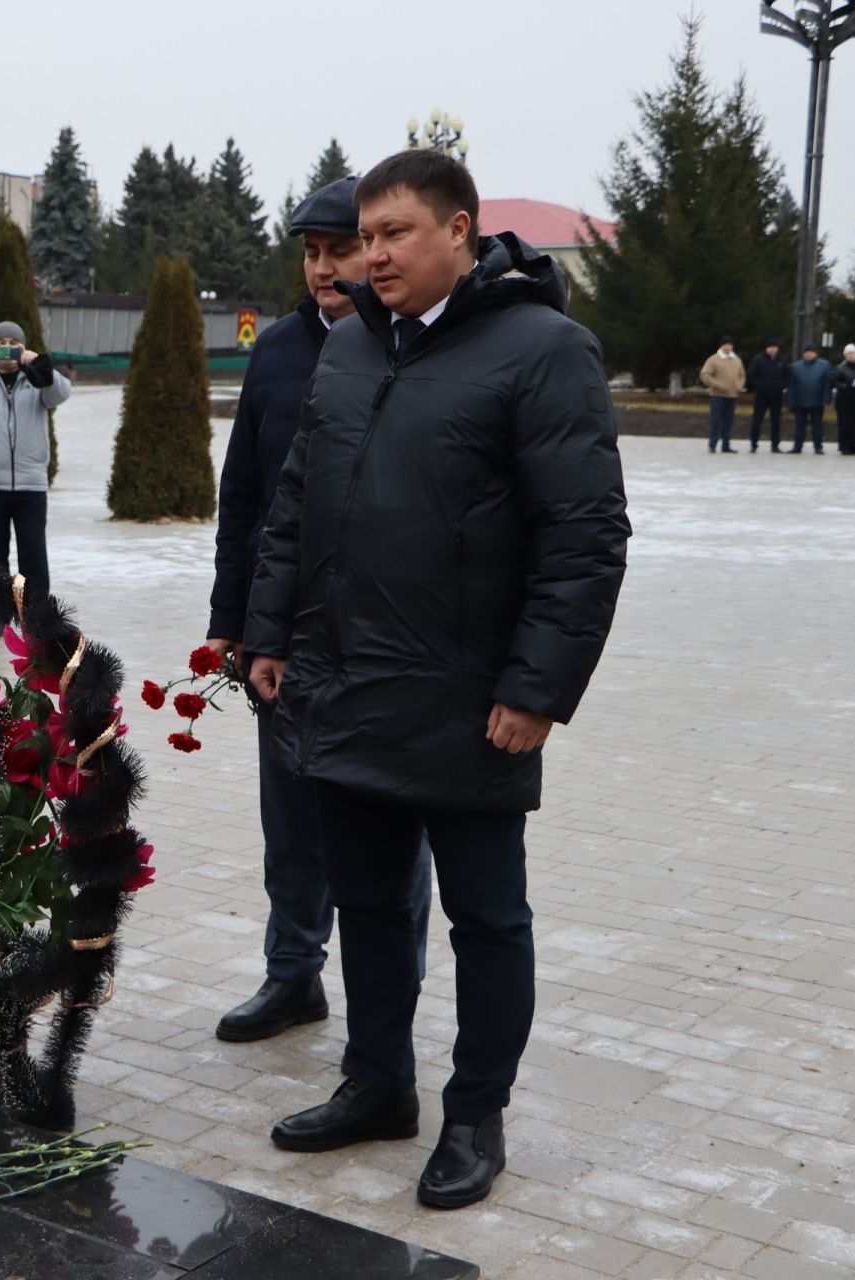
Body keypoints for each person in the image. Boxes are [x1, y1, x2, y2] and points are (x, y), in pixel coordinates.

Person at [244, 150, 628, 1209]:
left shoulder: (544, 348)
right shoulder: (354, 346)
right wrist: (269, 633)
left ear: (459, 231)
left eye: (395, 234)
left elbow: (584, 536)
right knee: (365, 901)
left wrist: (537, 686)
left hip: (472, 700)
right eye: (364, 237)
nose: (372, 256)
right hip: (345, 681)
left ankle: (474, 1111)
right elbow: (295, 503)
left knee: (487, 916)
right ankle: (376, 1082)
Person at [206, 175, 430, 1045]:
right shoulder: (279, 351)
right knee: (291, 820)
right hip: (283, 635)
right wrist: (231, 618)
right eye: (312, 251)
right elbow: (246, 498)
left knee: (385, 831)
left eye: (341, 249)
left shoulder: (412, 348)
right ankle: (292, 973)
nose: (327, 267)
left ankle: (392, 996)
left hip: (382, 636)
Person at [0, 320, 71, 638]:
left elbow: (61, 393)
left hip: (31, 483)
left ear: (23, 346)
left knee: (33, 553)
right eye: (0, 342)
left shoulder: (36, 380)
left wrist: (36, 362)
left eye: (13, 342)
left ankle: (39, 616)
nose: (7, 347)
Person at [699, 336, 744, 453]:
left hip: (732, 396)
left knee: (728, 422)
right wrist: (716, 385)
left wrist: (739, 385)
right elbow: (705, 374)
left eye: (730, 345)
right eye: (725, 344)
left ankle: (726, 445)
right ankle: (712, 445)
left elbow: (741, 375)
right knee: (716, 421)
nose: (728, 347)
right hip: (717, 396)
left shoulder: (736, 360)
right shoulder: (713, 359)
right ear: (721, 346)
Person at [786, 343, 832, 455]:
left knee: (817, 426)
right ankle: (797, 446)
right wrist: (790, 400)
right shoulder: (796, 366)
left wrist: (826, 399)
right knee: (799, 426)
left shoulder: (824, 365)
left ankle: (818, 447)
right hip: (800, 401)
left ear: (815, 353)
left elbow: (827, 384)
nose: (809, 354)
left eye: (811, 352)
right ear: (803, 354)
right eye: (806, 352)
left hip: (817, 401)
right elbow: (791, 385)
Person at [745, 337, 788, 454]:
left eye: (775, 347)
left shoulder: (782, 360)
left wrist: (782, 385)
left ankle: (775, 445)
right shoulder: (758, 359)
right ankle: (753, 444)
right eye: (770, 347)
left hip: (777, 396)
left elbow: (788, 375)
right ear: (766, 348)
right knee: (757, 420)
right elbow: (751, 375)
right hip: (761, 395)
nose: (772, 349)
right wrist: (760, 386)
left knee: (776, 421)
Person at [834, 345, 855, 455]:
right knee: (844, 423)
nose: (851, 355)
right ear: (845, 356)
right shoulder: (840, 368)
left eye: (852, 353)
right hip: (844, 399)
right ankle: (844, 446)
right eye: (848, 354)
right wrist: (846, 387)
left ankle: (854, 446)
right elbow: (835, 381)